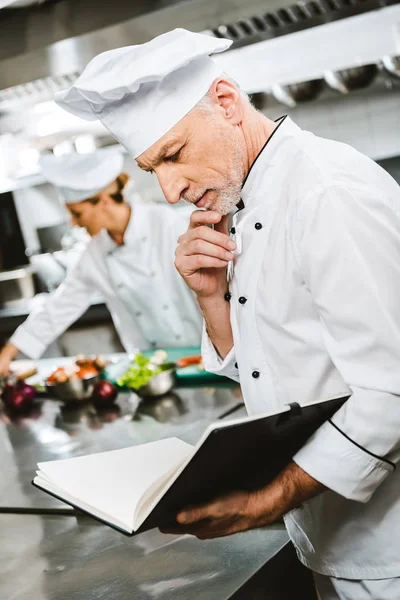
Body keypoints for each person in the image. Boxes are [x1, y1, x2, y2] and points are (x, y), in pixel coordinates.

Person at [54, 29, 400, 598]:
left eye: (173, 155)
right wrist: (211, 299)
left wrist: (266, 499)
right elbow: (277, 366)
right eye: (151, 170)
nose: (169, 191)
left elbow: (389, 393)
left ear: (226, 102)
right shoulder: (245, 197)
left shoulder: (326, 192)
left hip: (385, 548)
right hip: (330, 536)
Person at [0, 147, 202, 376]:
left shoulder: (166, 225)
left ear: (104, 201)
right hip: (150, 371)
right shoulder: (93, 254)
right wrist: (9, 351)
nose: (74, 224)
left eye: (77, 213)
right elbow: (60, 305)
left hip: (204, 358)